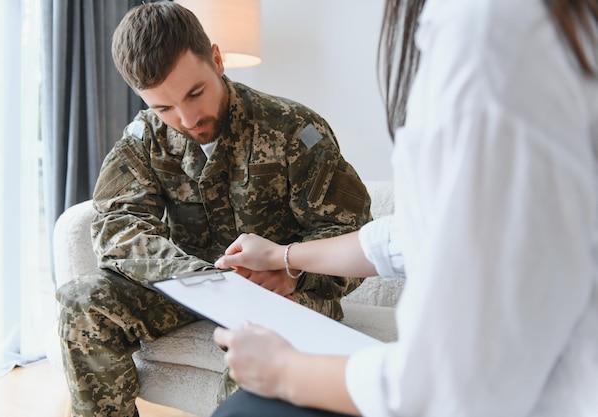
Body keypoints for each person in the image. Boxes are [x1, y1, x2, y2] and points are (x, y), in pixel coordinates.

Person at [211, 0, 598, 416]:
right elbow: (416, 232)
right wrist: (283, 256)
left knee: (247, 410)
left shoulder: (487, 32)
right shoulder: (541, 22)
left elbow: (446, 386)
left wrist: (282, 370)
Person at [55, 2, 373, 417]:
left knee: (259, 342)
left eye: (195, 93)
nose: (186, 119)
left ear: (218, 60)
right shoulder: (145, 138)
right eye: (163, 108)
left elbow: (351, 232)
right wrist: (200, 279)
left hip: (281, 293)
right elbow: (118, 228)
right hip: (190, 285)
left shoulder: (293, 129)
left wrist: (293, 272)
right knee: (82, 300)